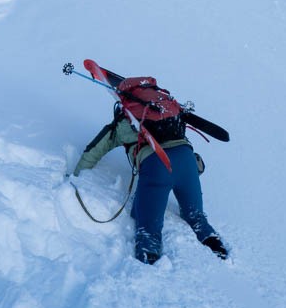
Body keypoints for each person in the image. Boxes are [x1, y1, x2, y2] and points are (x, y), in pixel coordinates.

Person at [73, 102, 228, 264]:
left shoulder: (121, 124)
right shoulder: (168, 114)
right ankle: (213, 242)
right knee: (196, 216)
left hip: (157, 165)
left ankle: (150, 268)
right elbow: (199, 166)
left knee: (148, 228)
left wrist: (75, 175)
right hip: (187, 160)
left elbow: (92, 151)